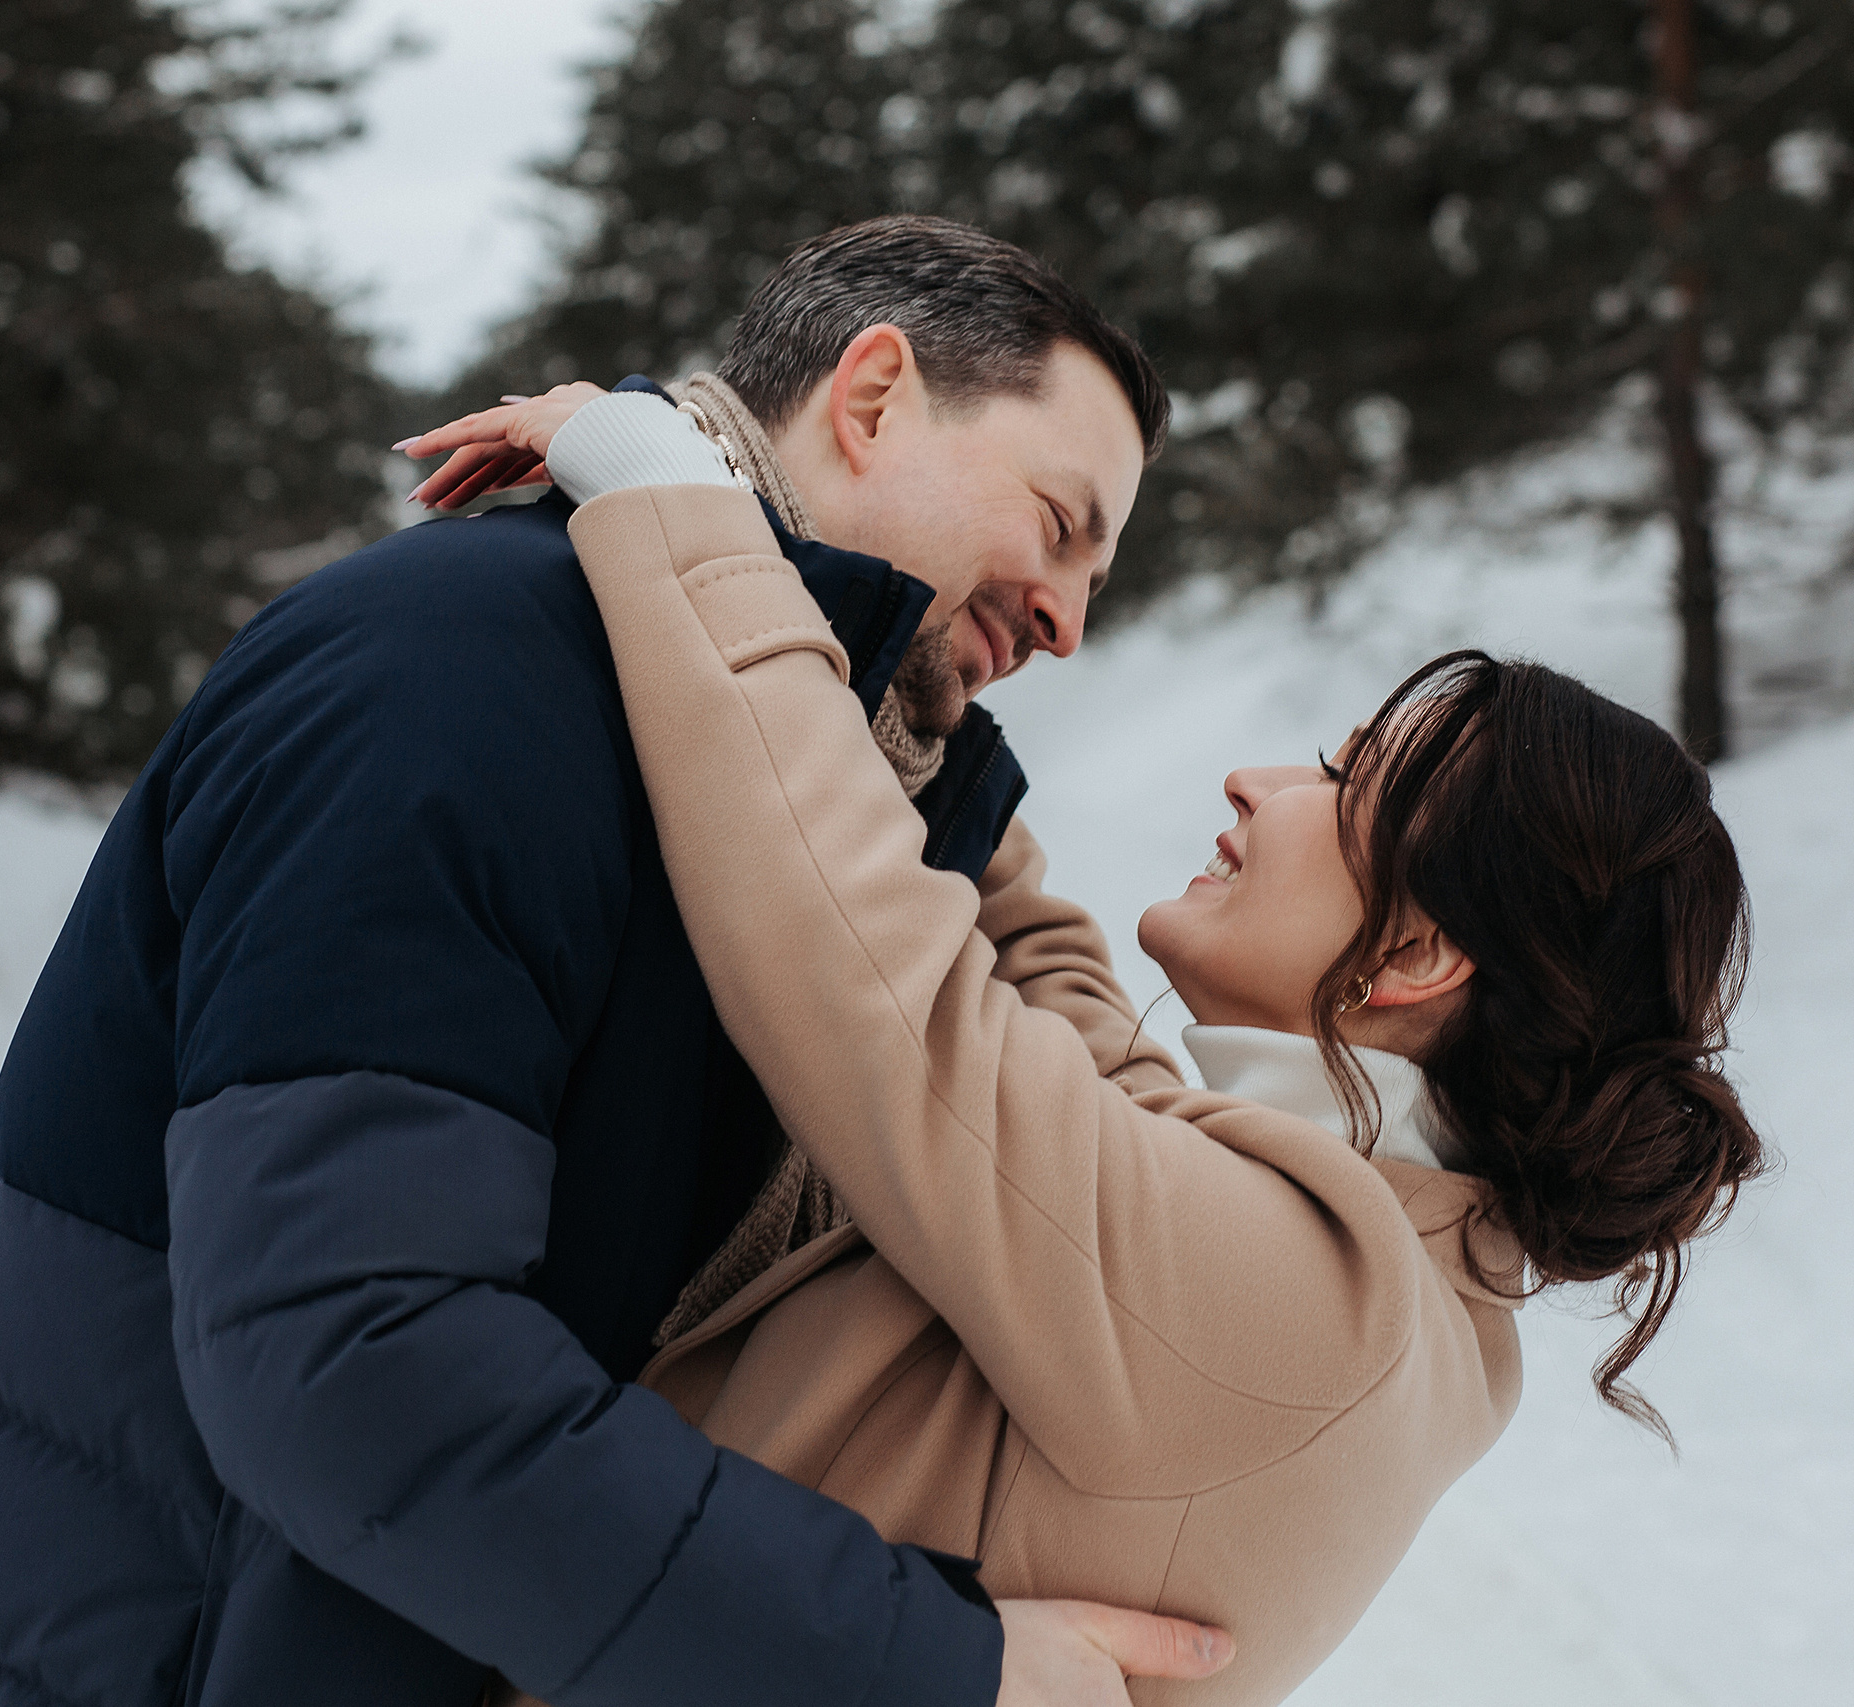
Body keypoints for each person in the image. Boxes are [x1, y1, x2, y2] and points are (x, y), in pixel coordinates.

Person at [0, 218, 1236, 1707]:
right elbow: (352, 1363)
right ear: (873, 400)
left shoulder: (787, 818)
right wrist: (932, 1670)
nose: (1068, 623)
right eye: (1061, 526)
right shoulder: (457, 672)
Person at [396, 380, 1770, 1704]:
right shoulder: (1388, 1278)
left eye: (1344, 779)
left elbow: (875, 980)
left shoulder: (1307, 1310)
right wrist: (919, 678)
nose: (1261, 779)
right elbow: (1064, 1031)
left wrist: (671, 501)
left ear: (1414, 955)